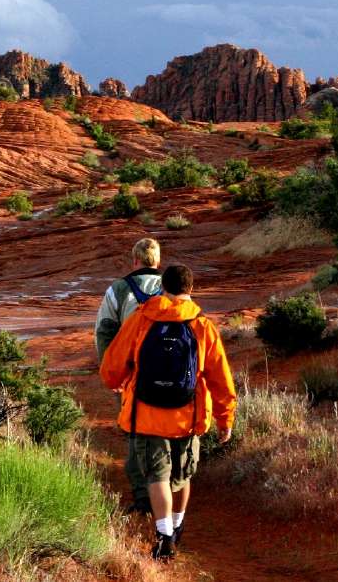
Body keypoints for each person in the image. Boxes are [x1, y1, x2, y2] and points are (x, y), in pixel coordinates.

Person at [98, 265, 237, 561]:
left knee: (157, 477)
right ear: (191, 289)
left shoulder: (142, 319)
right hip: (188, 418)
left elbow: (112, 367)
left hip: (147, 415)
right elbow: (220, 379)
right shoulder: (202, 326)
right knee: (182, 476)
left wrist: (117, 382)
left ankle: (164, 537)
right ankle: (176, 526)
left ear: (163, 287)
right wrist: (225, 419)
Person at [94, 237, 163, 365]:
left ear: (135, 260)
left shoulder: (118, 288)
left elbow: (104, 330)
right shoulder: (172, 286)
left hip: (131, 364)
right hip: (167, 364)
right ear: (158, 261)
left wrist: (107, 366)